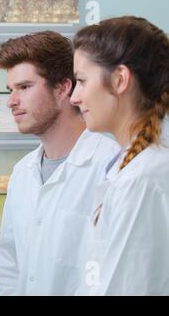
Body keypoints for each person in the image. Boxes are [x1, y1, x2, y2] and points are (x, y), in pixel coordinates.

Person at [0, 31, 120, 295]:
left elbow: (116, 275)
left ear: (63, 88)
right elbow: (9, 266)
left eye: (24, 87)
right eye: (10, 90)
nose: (11, 101)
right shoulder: (22, 173)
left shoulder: (111, 168)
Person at [70, 16, 169, 295]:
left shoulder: (143, 179)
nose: (74, 98)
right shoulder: (134, 169)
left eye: (81, 81)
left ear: (120, 79)